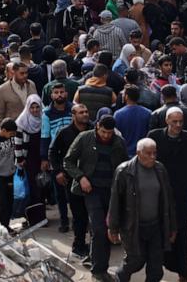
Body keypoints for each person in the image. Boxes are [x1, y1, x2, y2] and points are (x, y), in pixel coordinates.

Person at [63, 114, 128, 282]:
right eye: (103, 131)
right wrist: (81, 177)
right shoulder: (84, 138)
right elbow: (68, 161)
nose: (106, 135)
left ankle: (94, 258)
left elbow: (124, 168)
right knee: (99, 230)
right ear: (97, 126)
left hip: (111, 192)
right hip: (91, 191)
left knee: (106, 228)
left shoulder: (119, 143)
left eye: (109, 132)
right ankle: (99, 271)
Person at [108, 138, 176, 282]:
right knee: (135, 261)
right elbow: (115, 201)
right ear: (138, 153)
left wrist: (172, 227)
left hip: (156, 227)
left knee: (156, 267)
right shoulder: (124, 171)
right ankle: (120, 277)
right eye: (148, 153)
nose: (152, 157)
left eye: (154, 153)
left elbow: (168, 201)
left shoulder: (160, 169)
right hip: (133, 227)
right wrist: (113, 228)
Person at [148, 108, 187, 282]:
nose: (178, 125)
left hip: (180, 195)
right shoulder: (154, 137)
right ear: (167, 121)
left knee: (180, 233)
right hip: (157, 194)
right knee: (157, 233)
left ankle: (183, 274)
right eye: (174, 122)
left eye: (181, 122)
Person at [49, 103, 92, 257]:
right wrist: (58, 171)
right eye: (81, 112)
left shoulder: (93, 130)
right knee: (79, 215)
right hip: (72, 180)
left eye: (86, 111)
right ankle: (78, 245)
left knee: (93, 215)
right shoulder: (64, 133)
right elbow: (53, 152)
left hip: (92, 179)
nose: (85, 114)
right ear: (73, 115)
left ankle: (94, 246)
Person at [41, 82, 73, 233]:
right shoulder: (47, 114)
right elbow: (45, 136)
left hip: (73, 155)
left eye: (62, 92)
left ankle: (79, 220)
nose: (59, 95)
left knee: (74, 191)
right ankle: (64, 221)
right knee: (59, 192)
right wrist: (44, 158)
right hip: (56, 156)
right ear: (51, 95)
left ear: (66, 94)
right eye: (56, 92)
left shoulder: (73, 109)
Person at [14, 94, 47, 226]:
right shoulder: (22, 121)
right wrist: (20, 159)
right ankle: (34, 219)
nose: (34, 110)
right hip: (29, 159)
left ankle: (42, 216)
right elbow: (17, 142)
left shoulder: (44, 118)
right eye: (32, 107)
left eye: (37, 107)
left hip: (42, 158)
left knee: (42, 187)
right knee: (32, 188)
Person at [0, 62, 36, 131]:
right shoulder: (2, 90)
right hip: (13, 131)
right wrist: (0, 132)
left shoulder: (31, 84)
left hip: (31, 128)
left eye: (26, 73)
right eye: (22, 73)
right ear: (14, 73)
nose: (25, 75)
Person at [115, 86, 152, 157]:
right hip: (142, 152)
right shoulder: (148, 113)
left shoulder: (118, 114)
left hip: (125, 153)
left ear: (127, 96)